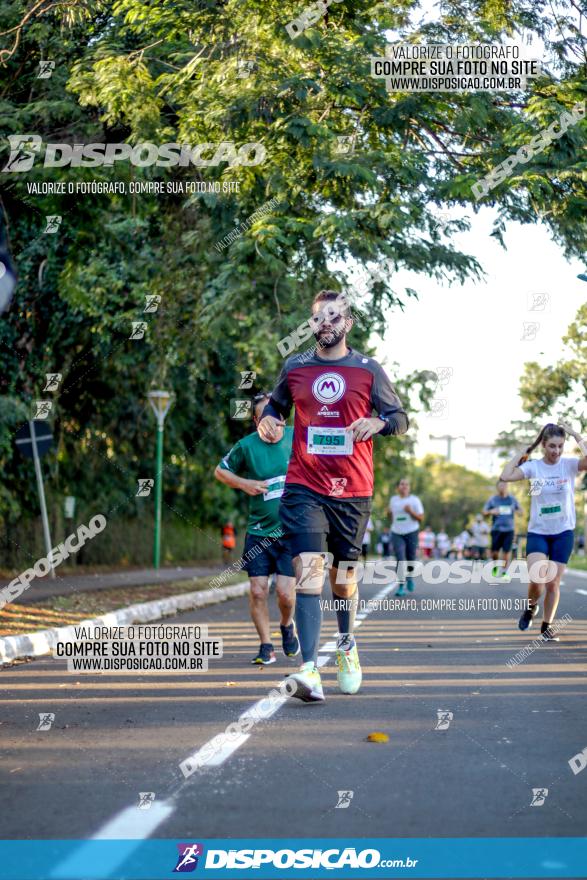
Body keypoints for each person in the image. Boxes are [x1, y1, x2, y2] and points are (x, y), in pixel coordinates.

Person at [258, 289, 408, 701]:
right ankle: (308, 670)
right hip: (305, 486)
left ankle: (346, 645)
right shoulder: (295, 367)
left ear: (348, 323)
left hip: (353, 492)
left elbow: (400, 419)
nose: (326, 323)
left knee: (343, 583)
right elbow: (275, 407)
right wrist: (267, 423)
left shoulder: (367, 370)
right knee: (308, 568)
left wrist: (378, 424)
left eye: (334, 317)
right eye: (319, 318)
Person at [215, 393, 299, 665]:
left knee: (286, 594)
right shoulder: (246, 446)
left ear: (282, 418)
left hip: (290, 533)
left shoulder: (296, 437)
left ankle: (287, 625)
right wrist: (243, 484)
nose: (270, 423)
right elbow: (220, 471)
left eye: (275, 417)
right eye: (264, 418)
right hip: (259, 532)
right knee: (258, 590)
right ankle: (266, 645)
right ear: (255, 421)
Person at [500, 422, 587, 641]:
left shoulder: (568, 465)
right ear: (543, 446)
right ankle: (530, 609)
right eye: (552, 446)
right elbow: (506, 475)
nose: (556, 451)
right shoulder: (534, 467)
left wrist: (577, 435)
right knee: (538, 579)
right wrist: (521, 453)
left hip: (563, 532)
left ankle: (546, 627)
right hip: (538, 532)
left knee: (552, 583)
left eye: (560, 446)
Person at [389, 477, 424, 595]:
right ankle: (400, 586)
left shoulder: (415, 500)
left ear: (409, 488)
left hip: (412, 532)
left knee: (410, 558)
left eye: (406, 485)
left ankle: (409, 578)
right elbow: (391, 517)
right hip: (397, 533)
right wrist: (389, 514)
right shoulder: (393, 500)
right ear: (398, 487)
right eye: (402, 484)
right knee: (400, 559)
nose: (404, 486)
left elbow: (420, 518)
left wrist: (410, 512)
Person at [483, 479, 521, 580]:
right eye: (500, 485)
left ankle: (504, 572)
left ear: (507, 486)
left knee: (506, 551)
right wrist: (491, 511)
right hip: (496, 529)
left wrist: (518, 511)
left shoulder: (512, 499)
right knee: (495, 552)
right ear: (497, 487)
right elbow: (484, 512)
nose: (502, 487)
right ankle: (495, 567)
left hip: (509, 529)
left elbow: (520, 511)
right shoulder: (493, 500)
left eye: (504, 485)